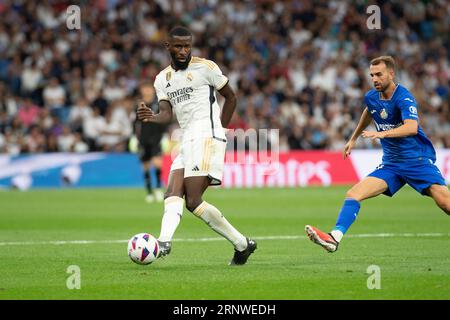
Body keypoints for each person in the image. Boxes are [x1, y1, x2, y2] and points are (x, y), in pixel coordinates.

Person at [137, 26, 257, 265]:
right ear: (167, 46)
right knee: (172, 192)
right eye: (178, 46)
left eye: (187, 46)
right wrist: (151, 116)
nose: (183, 51)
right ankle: (240, 244)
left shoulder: (206, 67)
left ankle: (240, 244)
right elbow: (166, 114)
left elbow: (231, 97)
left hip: (207, 136)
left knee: (192, 199)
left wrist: (220, 129)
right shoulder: (163, 79)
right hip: (186, 139)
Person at [305, 56, 450, 253]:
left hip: (416, 160)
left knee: (445, 204)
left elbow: (411, 127)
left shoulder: (404, 97)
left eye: (379, 74)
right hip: (391, 164)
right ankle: (334, 238)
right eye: (372, 75)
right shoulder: (372, 97)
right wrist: (353, 138)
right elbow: (369, 112)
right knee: (353, 194)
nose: (375, 79)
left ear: (391, 74)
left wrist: (381, 133)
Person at [135, 81, 165, 202]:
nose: (147, 91)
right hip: (143, 140)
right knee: (146, 166)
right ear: (142, 90)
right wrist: (135, 138)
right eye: (145, 89)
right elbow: (136, 123)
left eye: (149, 89)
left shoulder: (158, 104)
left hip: (156, 139)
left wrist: (165, 135)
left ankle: (158, 188)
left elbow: (164, 119)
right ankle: (149, 191)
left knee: (158, 164)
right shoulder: (138, 105)